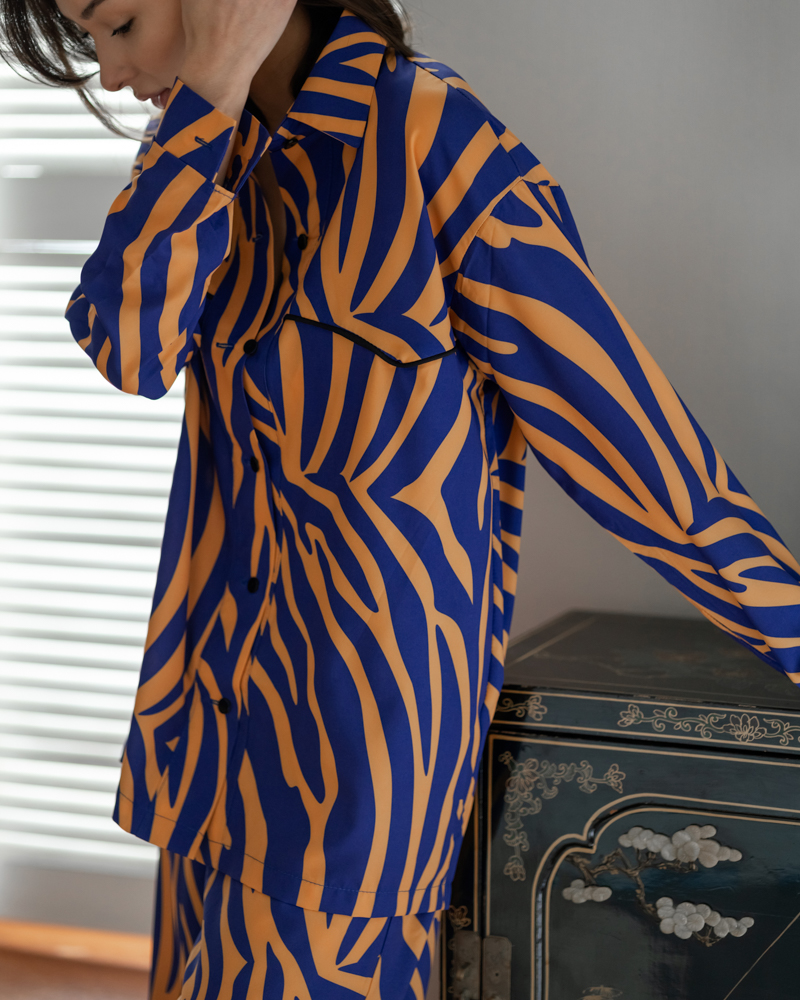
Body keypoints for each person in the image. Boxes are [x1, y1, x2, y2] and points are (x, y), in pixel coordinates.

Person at [3, 0, 800, 997]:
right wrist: (206, 101)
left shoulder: (434, 139)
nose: (111, 73)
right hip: (203, 743)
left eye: (116, 25)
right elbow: (127, 350)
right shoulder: (204, 153)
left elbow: (625, 437)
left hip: (350, 776)